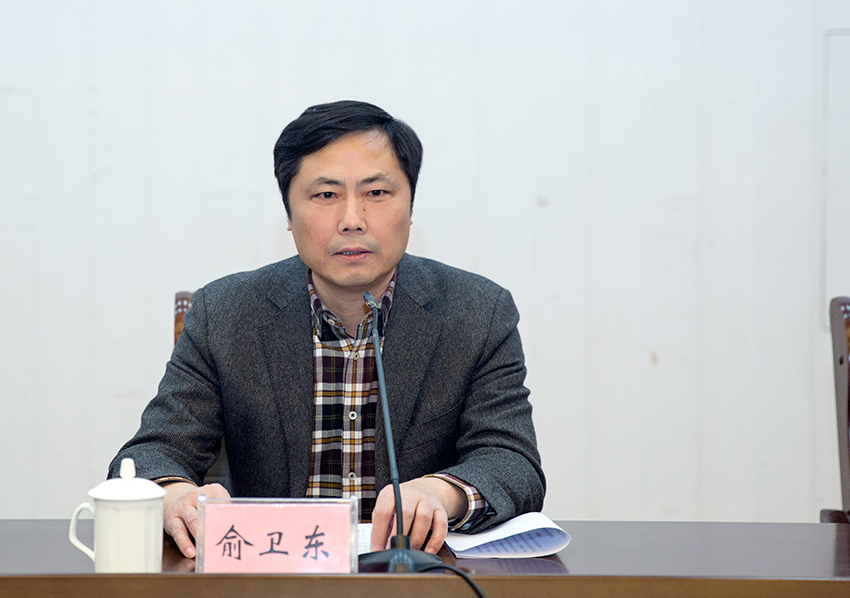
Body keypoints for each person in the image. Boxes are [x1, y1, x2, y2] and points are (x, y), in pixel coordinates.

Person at [110, 100, 544, 559]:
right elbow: (150, 457)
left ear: (411, 206)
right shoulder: (225, 313)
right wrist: (176, 495)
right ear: (289, 214)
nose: (352, 220)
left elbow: (512, 461)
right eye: (326, 195)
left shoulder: (478, 313)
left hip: (415, 581)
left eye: (377, 192)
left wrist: (441, 492)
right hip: (272, 577)